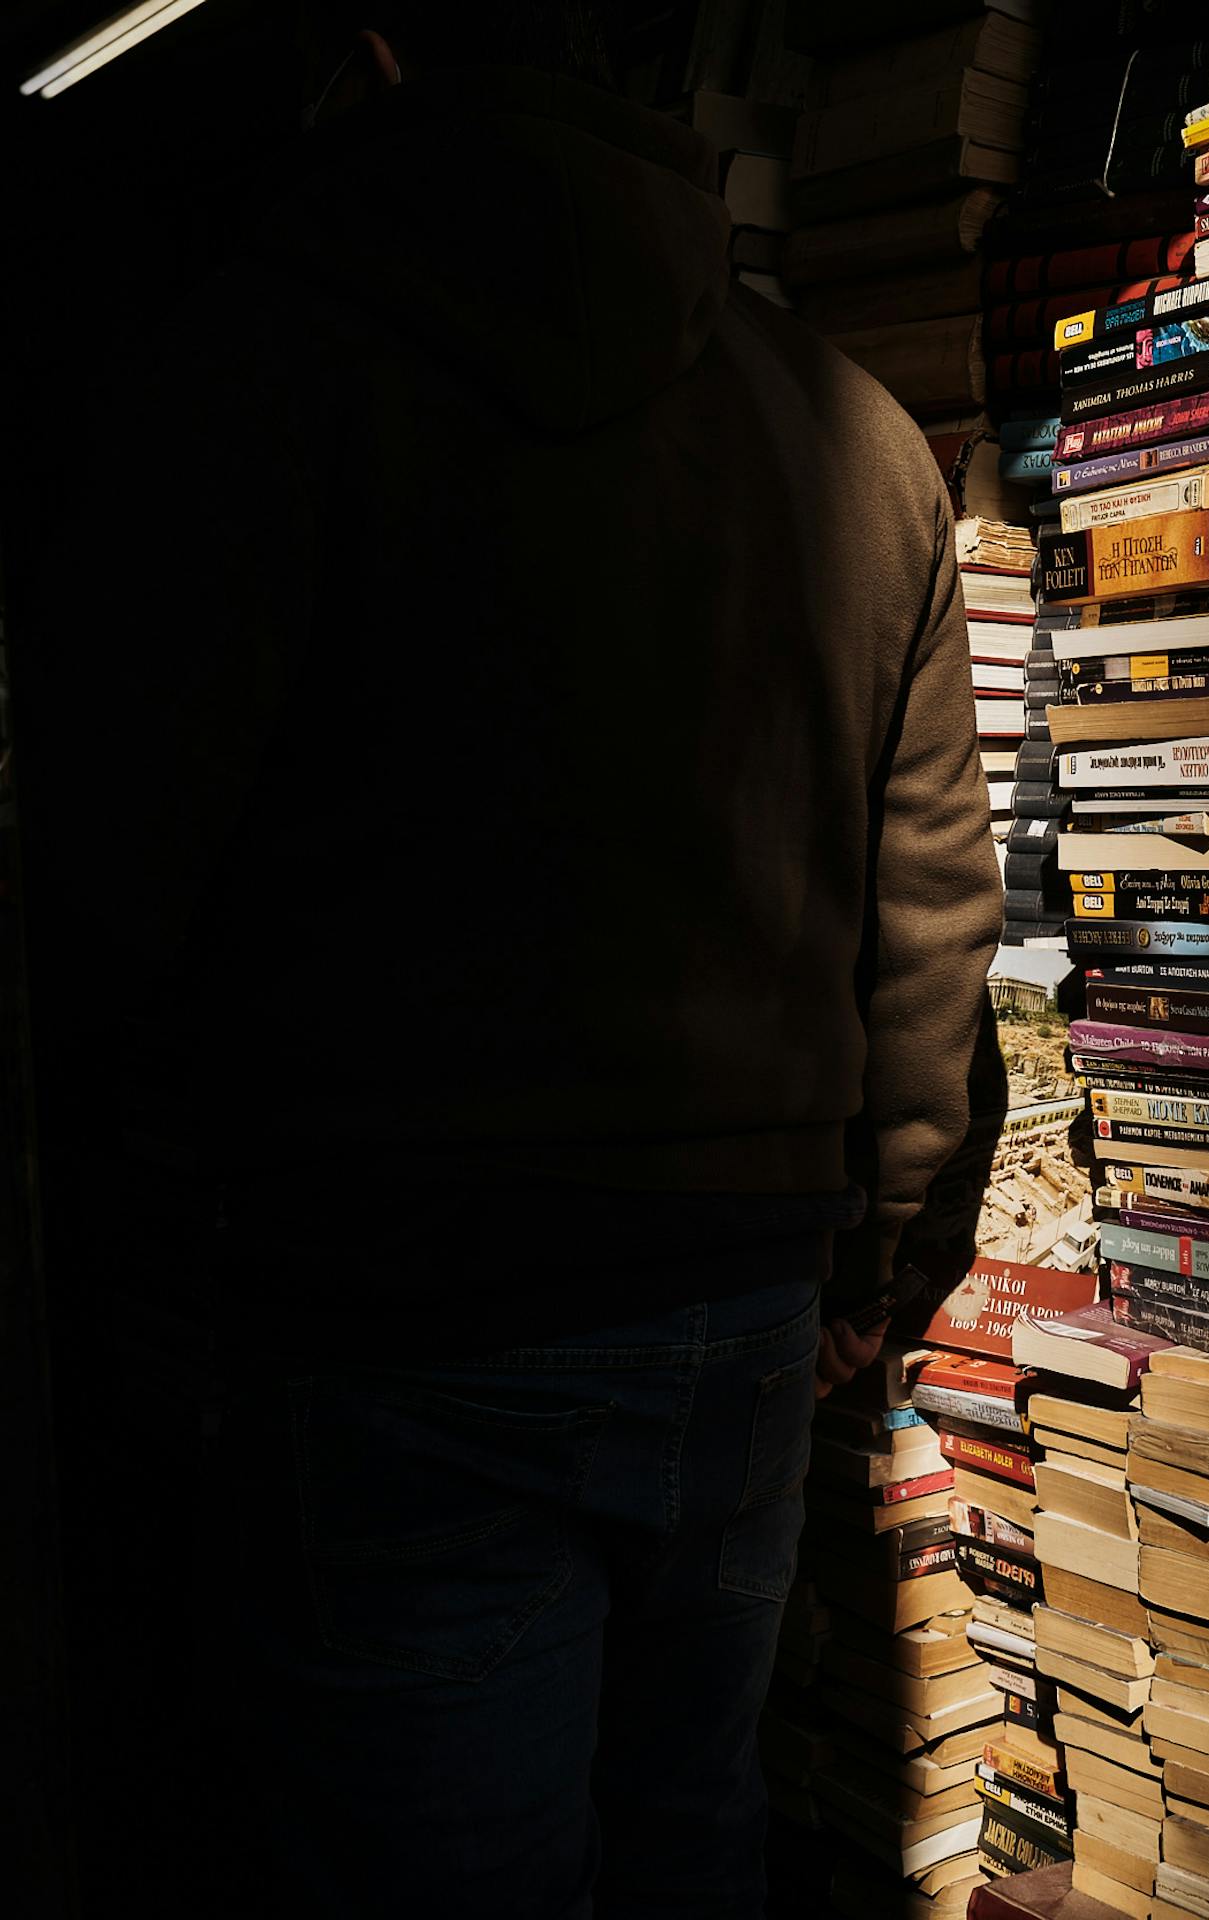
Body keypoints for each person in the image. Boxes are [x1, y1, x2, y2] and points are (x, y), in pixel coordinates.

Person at [31, 5, 1003, 1911]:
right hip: (736, 1313)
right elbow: (934, 928)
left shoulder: (247, 383)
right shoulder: (859, 438)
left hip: (386, 1307)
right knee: (690, 1834)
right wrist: (878, 1257)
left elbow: (110, 866)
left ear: (376, 59)